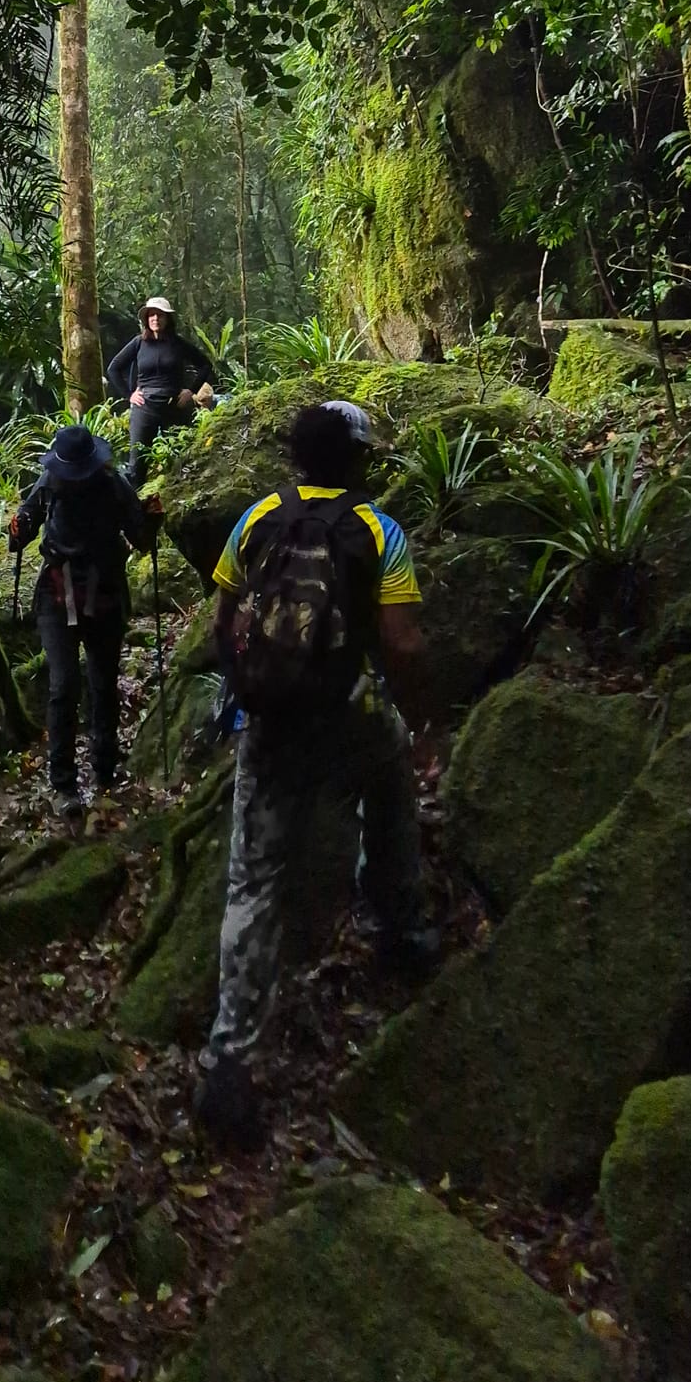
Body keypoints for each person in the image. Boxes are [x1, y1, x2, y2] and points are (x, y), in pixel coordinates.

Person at [192, 397, 441, 1151]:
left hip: (271, 725)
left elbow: (223, 620)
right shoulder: (379, 530)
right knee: (391, 782)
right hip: (348, 714)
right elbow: (402, 643)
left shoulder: (258, 516)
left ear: (296, 457)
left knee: (253, 880)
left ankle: (229, 1062)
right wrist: (423, 720)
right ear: (357, 460)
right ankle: (400, 926)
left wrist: (250, 687)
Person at [7, 420, 160, 817]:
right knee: (64, 685)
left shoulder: (114, 485)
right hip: (58, 593)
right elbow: (22, 529)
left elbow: (141, 539)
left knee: (103, 683)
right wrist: (18, 529)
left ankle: (105, 767)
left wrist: (150, 521)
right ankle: (63, 783)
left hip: (104, 591)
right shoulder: (49, 484)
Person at [104, 295, 218, 480]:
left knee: (182, 459)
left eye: (160, 315)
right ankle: (135, 497)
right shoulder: (139, 343)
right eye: (151, 315)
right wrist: (129, 394)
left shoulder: (178, 344)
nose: (155, 318)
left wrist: (191, 391)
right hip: (145, 407)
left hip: (175, 406)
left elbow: (205, 365)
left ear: (167, 319)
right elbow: (113, 369)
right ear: (146, 319)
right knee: (137, 464)